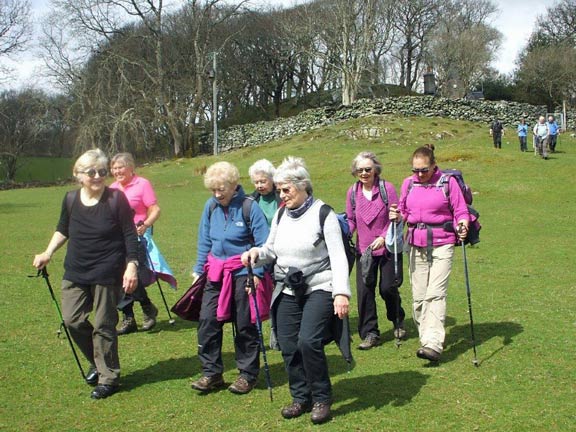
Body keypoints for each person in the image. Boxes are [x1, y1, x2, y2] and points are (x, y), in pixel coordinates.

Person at [242, 156, 351, 425]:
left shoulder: (324, 214)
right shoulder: (280, 214)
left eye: (286, 189)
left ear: (303, 186)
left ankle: (322, 398)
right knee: (289, 345)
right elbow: (271, 249)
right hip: (288, 288)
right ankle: (300, 397)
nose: (282, 194)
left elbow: (338, 257)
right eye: (279, 189)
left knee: (308, 341)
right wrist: (257, 253)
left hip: (320, 286)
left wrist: (341, 293)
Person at [32, 148, 138, 399]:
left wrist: (131, 264)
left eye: (102, 171)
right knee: (73, 320)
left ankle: (109, 377)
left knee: (103, 325)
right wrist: (48, 252)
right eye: (92, 172)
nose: (99, 176)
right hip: (76, 270)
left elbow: (129, 234)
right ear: (78, 174)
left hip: (107, 270)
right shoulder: (70, 199)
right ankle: (98, 361)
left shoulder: (115, 199)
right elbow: (63, 229)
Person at [190, 161, 271, 395]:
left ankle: (247, 375)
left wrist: (255, 273)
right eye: (213, 190)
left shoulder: (249, 207)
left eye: (221, 189)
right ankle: (211, 373)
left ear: (234, 185)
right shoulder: (210, 206)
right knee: (207, 321)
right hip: (215, 272)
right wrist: (198, 271)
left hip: (242, 270)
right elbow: (204, 240)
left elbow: (262, 243)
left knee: (245, 324)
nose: (217, 194)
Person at [390, 146, 468, 363]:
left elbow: (460, 210)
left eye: (424, 170)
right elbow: (404, 211)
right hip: (415, 244)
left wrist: (462, 223)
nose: (420, 174)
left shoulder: (447, 182)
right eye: (415, 170)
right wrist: (397, 216)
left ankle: (433, 344)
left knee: (435, 293)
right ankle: (427, 339)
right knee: (418, 297)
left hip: (443, 243)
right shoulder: (409, 183)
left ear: (434, 165)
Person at [110, 152, 176, 334]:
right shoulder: (112, 188)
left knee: (134, 273)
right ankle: (128, 317)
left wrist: (146, 224)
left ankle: (147, 308)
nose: (117, 171)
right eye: (114, 168)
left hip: (137, 235)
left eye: (120, 167)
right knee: (118, 275)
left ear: (130, 167)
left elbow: (155, 209)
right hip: (116, 238)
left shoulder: (142, 184)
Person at [345, 151, 405, 350]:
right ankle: (370, 333)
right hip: (364, 250)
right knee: (364, 292)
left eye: (368, 169)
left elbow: (395, 216)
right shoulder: (352, 192)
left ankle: (397, 319)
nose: (364, 173)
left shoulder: (386, 188)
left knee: (387, 288)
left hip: (387, 247)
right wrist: (346, 233)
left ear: (375, 169)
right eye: (360, 170)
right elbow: (351, 219)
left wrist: (383, 236)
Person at [248, 159, 282, 227]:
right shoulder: (250, 201)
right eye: (256, 182)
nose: (259, 186)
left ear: (272, 179)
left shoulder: (283, 196)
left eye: (263, 182)